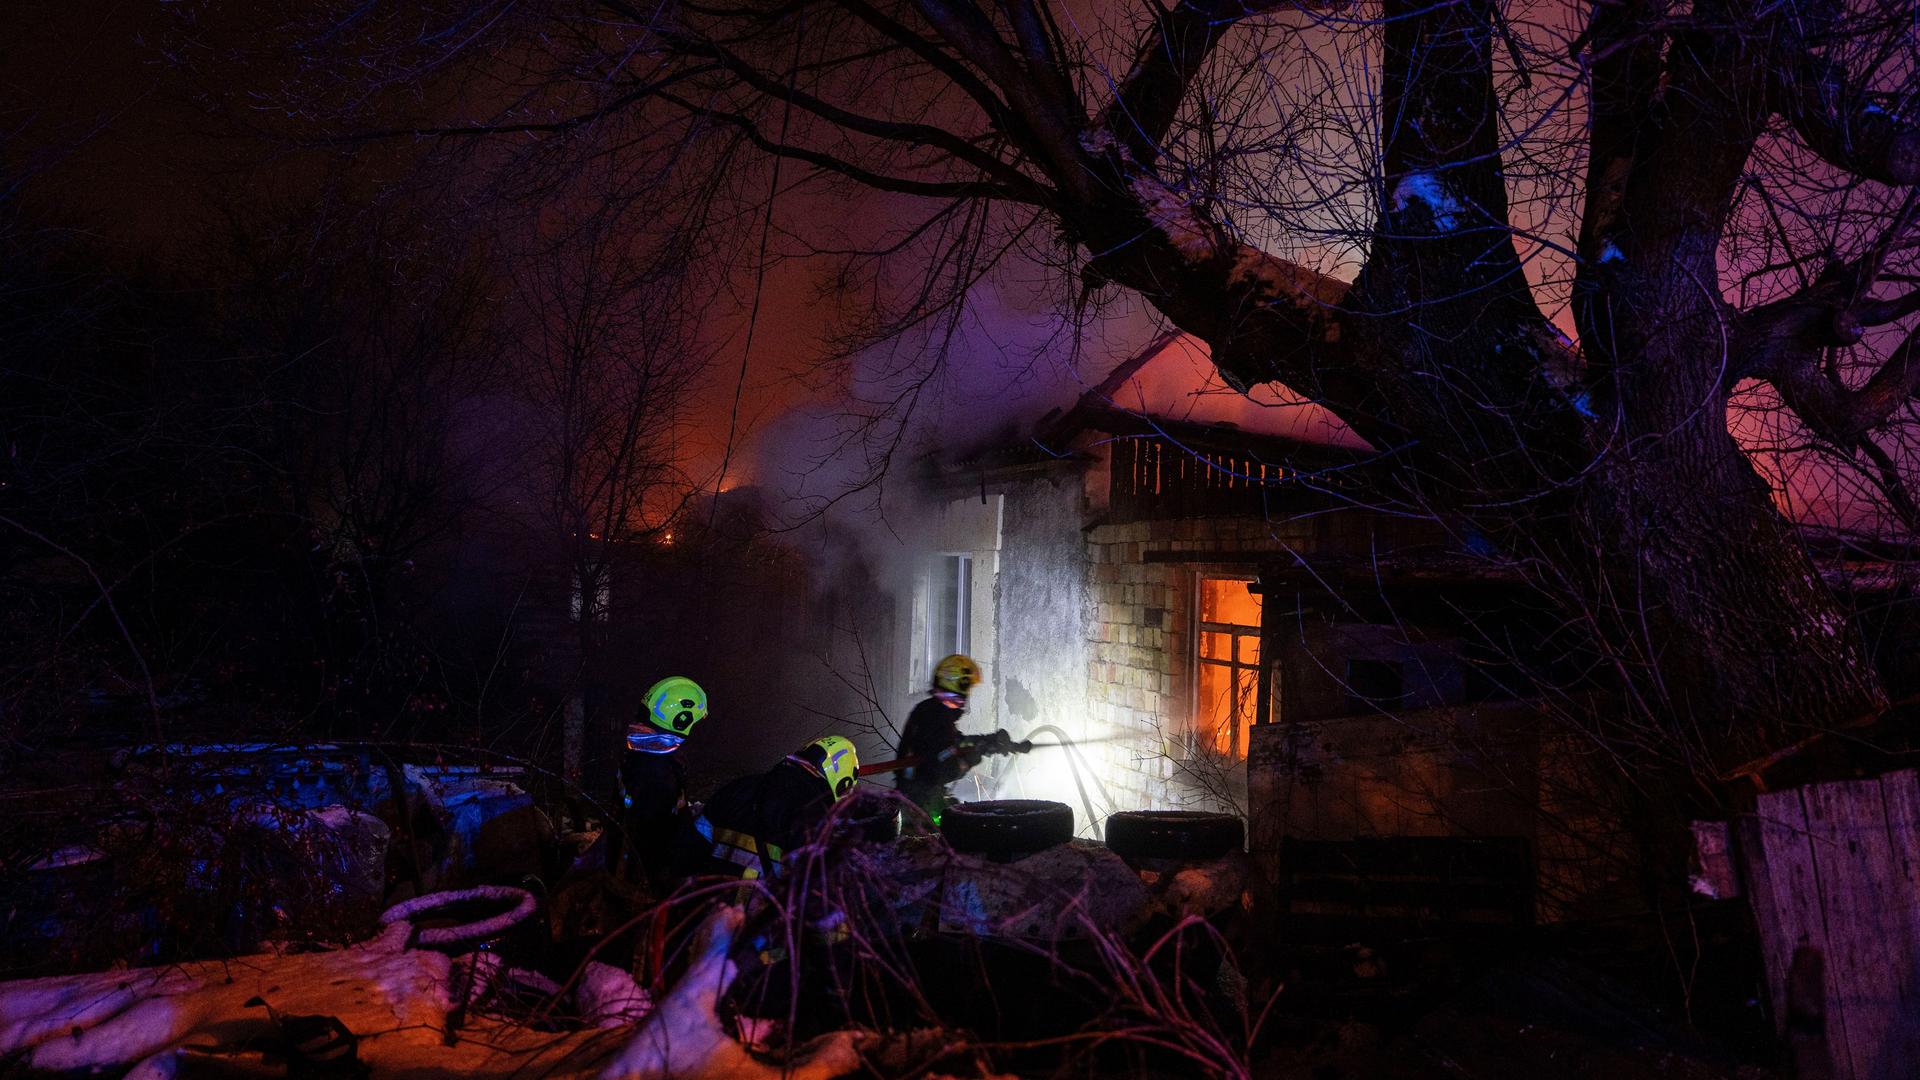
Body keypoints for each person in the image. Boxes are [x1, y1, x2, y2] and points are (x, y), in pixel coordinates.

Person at [695, 735, 861, 881]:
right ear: (841, 783)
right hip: (757, 914)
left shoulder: (741, 786)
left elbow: (689, 845)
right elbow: (818, 891)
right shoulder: (816, 822)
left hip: (700, 907)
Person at [617, 675, 707, 885]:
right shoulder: (659, 772)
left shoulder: (638, 755)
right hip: (647, 884)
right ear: (681, 720)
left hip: (623, 870)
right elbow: (658, 839)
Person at [895, 653, 984, 823]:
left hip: (917, 800)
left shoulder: (932, 711)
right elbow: (935, 768)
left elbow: (952, 743)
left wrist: (985, 741)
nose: (967, 695)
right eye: (966, 688)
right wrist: (966, 762)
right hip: (920, 807)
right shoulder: (935, 716)